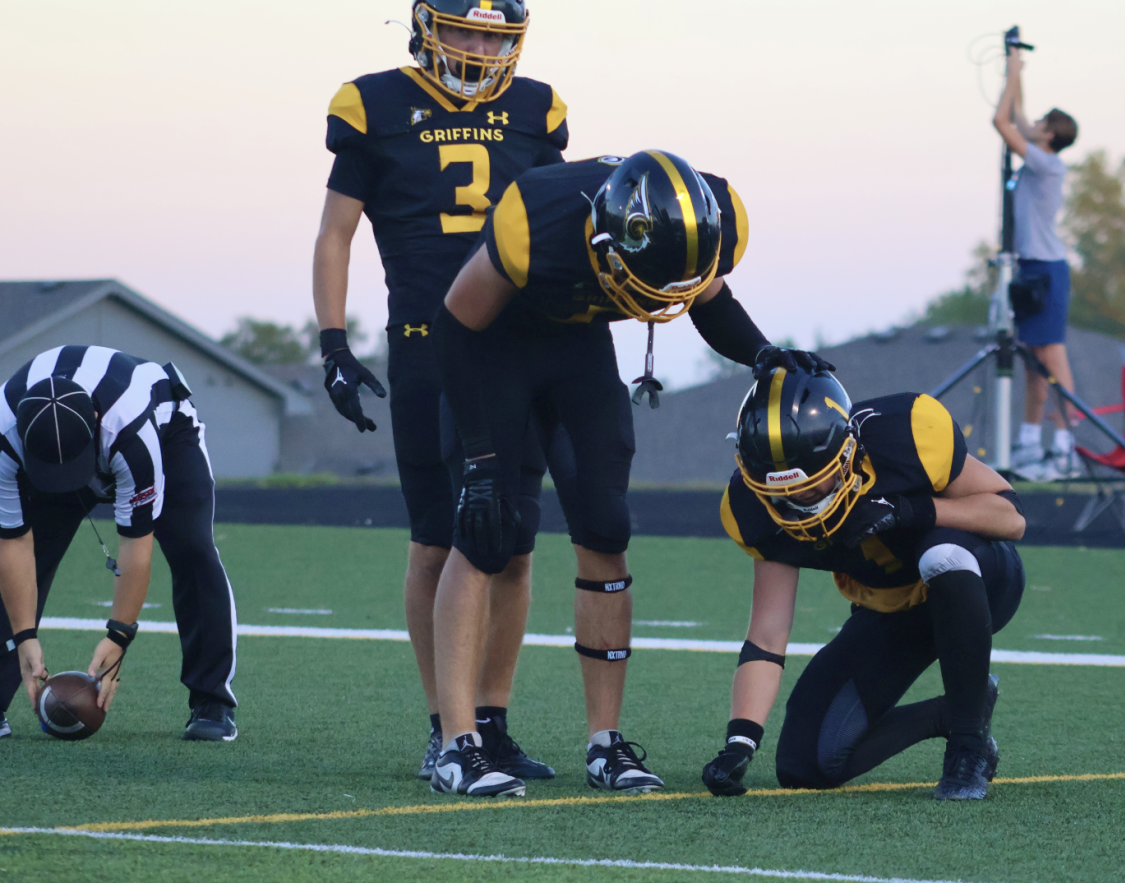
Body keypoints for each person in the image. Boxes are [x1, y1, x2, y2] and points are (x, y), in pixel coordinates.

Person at [430, 149, 832, 797]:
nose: (661, 301)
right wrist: (479, 458)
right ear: (608, 242)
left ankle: (604, 742)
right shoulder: (538, 220)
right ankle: (458, 744)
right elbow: (455, 325)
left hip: (579, 352)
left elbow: (707, 295)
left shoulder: (694, 220)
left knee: (606, 527)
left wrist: (762, 354)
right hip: (493, 351)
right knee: (483, 532)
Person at [312, 0, 570, 781]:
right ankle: (444, 726)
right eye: (464, 30)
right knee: (437, 539)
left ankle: (490, 722)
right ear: (427, 27)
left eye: (493, 37)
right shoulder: (374, 103)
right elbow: (335, 232)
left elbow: (559, 223)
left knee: (515, 545)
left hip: (519, 347)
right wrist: (332, 341)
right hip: (427, 345)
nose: (477, 47)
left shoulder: (535, 108)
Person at [703, 365, 1025, 800]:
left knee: (941, 554)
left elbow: (1010, 516)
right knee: (804, 765)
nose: (797, 500)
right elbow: (767, 634)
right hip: (893, 612)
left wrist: (911, 511)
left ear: (846, 450)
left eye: (813, 485)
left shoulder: (903, 435)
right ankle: (953, 711)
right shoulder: (753, 509)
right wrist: (740, 741)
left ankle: (967, 746)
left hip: (979, 581)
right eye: (779, 492)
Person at [0, 346, 238, 741]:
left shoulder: (131, 433)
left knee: (192, 549)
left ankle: (212, 701)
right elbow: (13, 545)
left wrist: (118, 636)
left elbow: (135, 544)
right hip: (56, 443)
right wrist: (24, 637)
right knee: (23, 559)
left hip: (166, 429)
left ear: (94, 422)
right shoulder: (4, 435)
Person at [992, 45, 1080, 479]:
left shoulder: (1045, 164)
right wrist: (1017, 69)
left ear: (1049, 136)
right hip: (1031, 267)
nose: (1036, 125)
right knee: (1032, 361)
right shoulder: (1043, 152)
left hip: (1047, 270)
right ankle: (1029, 443)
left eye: (1043, 125)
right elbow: (1020, 114)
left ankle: (1064, 446)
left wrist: (1010, 71)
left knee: (1053, 356)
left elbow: (1002, 121)